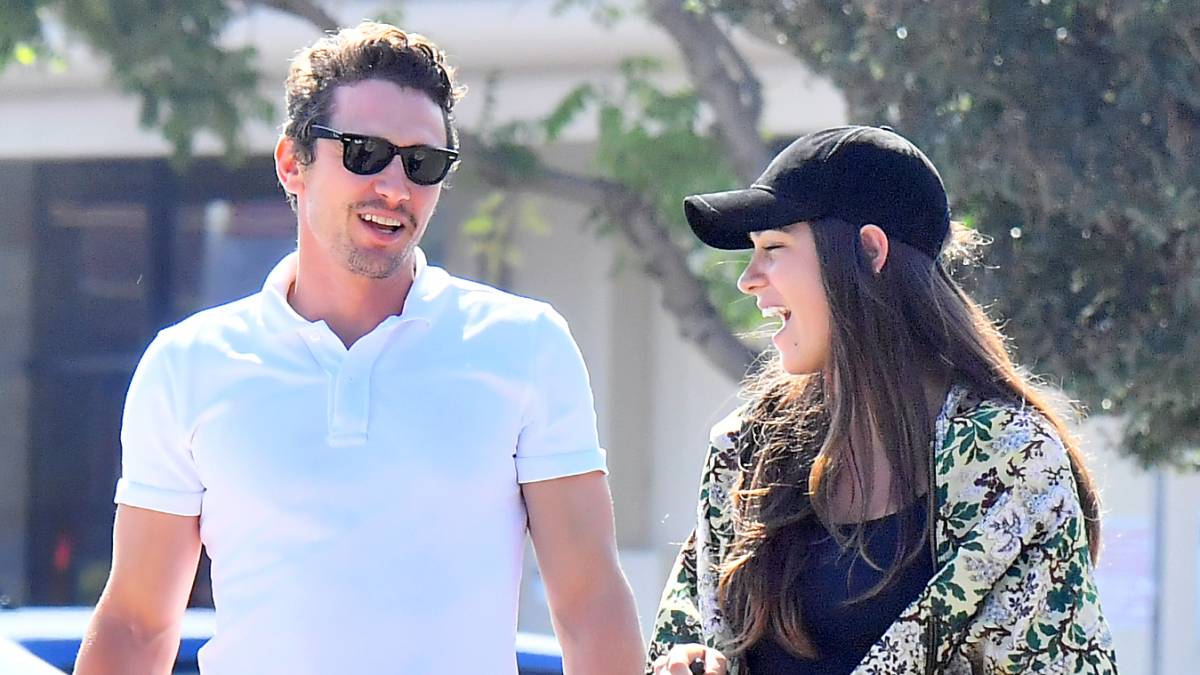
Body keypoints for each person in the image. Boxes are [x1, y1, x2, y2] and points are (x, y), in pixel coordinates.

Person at [75, 22, 644, 675]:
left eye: (423, 163)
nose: (395, 187)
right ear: (293, 163)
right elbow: (137, 621)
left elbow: (590, 600)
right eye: (365, 153)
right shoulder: (187, 364)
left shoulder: (526, 343)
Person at [646, 126, 1117, 674]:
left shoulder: (1009, 458)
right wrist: (688, 663)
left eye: (774, 248)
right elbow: (686, 631)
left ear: (870, 249)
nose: (748, 280)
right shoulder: (746, 448)